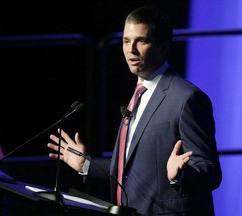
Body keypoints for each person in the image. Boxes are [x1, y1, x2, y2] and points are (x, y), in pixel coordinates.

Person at [47, 5, 222, 216]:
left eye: (142, 41)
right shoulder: (139, 93)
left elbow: (210, 172)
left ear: (163, 47)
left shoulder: (188, 98)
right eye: (126, 41)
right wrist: (85, 164)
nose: (131, 50)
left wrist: (179, 176)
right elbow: (132, 170)